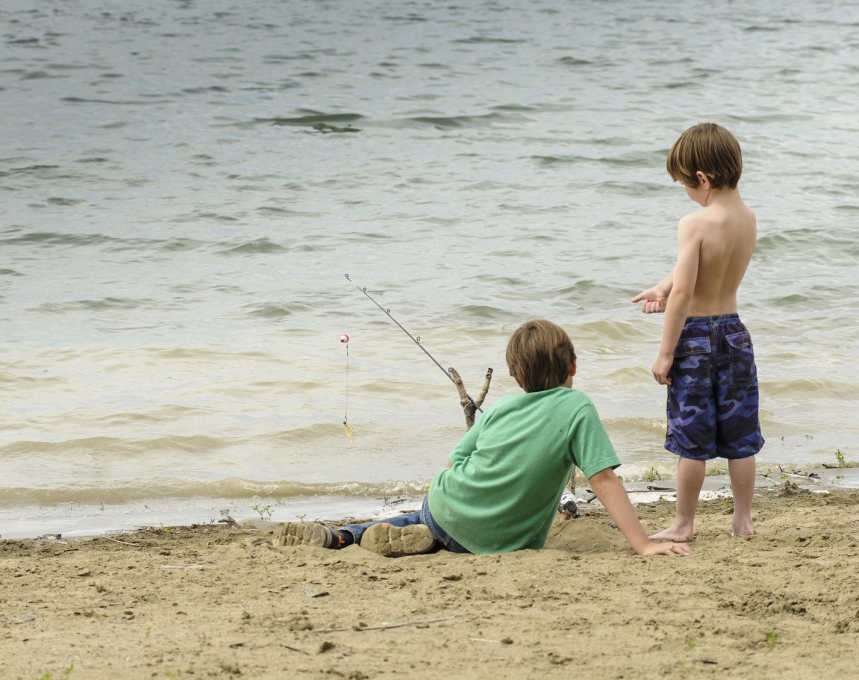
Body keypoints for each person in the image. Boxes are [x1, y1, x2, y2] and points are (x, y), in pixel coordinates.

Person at [278, 319, 691, 558]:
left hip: (447, 507)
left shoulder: (501, 409)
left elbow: (450, 466)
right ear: (573, 366)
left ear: (515, 376)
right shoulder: (577, 407)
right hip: (500, 542)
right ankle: (412, 538)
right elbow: (603, 481)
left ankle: (345, 536)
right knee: (442, 527)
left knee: (422, 518)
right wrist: (641, 544)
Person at [632, 122, 764, 542]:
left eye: (685, 184)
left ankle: (684, 524)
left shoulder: (694, 223)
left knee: (693, 437)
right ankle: (742, 521)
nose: (686, 192)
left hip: (696, 341)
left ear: (703, 179)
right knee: (740, 434)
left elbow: (686, 292)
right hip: (735, 334)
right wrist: (661, 286)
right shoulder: (747, 218)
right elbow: (694, 273)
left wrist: (666, 352)